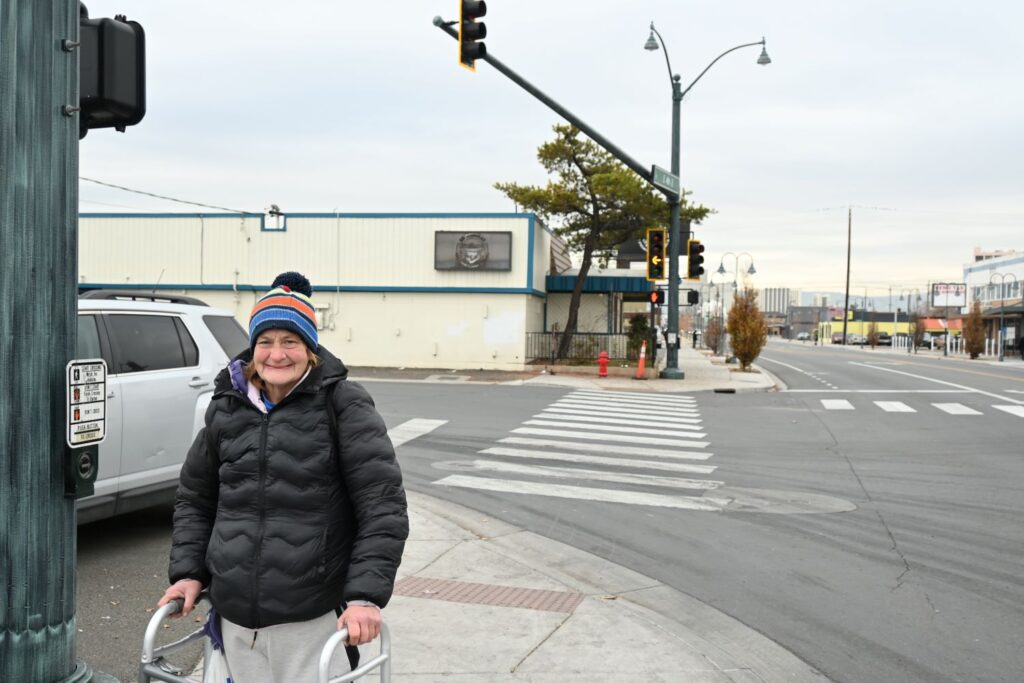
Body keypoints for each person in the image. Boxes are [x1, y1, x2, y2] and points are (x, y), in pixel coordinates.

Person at [157, 271, 408, 682]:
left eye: (290, 341)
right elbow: (196, 499)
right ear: (252, 347)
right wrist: (188, 573)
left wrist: (364, 596)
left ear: (309, 349)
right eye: (265, 342)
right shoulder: (227, 407)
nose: (277, 354)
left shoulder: (344, 404)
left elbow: (383, 507)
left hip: (311, 619)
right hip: (234, 619)